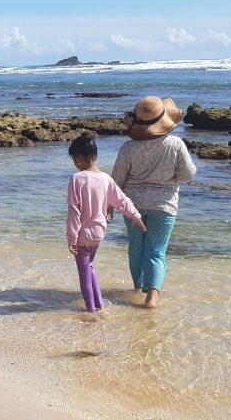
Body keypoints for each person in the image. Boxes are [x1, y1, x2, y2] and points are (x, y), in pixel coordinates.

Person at [111, 96, 197, 309]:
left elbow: (116, 181)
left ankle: (137, 288)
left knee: (136, 248)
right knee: (156, 251)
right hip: (164, 206)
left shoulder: (128, 148)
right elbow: (187, 174)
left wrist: (109, 206)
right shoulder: (175, 144)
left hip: (133, 206)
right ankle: (152, 297)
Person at [67, 131, 147, 312]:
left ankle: (91, 310)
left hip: (83, 234)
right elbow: (122, 201)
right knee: (90, 267)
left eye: (75, 159)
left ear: (78, 159)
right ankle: (99, 305)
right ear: (95, 156)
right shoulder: (106, 179)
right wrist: (136, 217)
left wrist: (71, 238)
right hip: (99, 232)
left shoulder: (76, 179)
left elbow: (74, 211)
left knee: (84, 273)